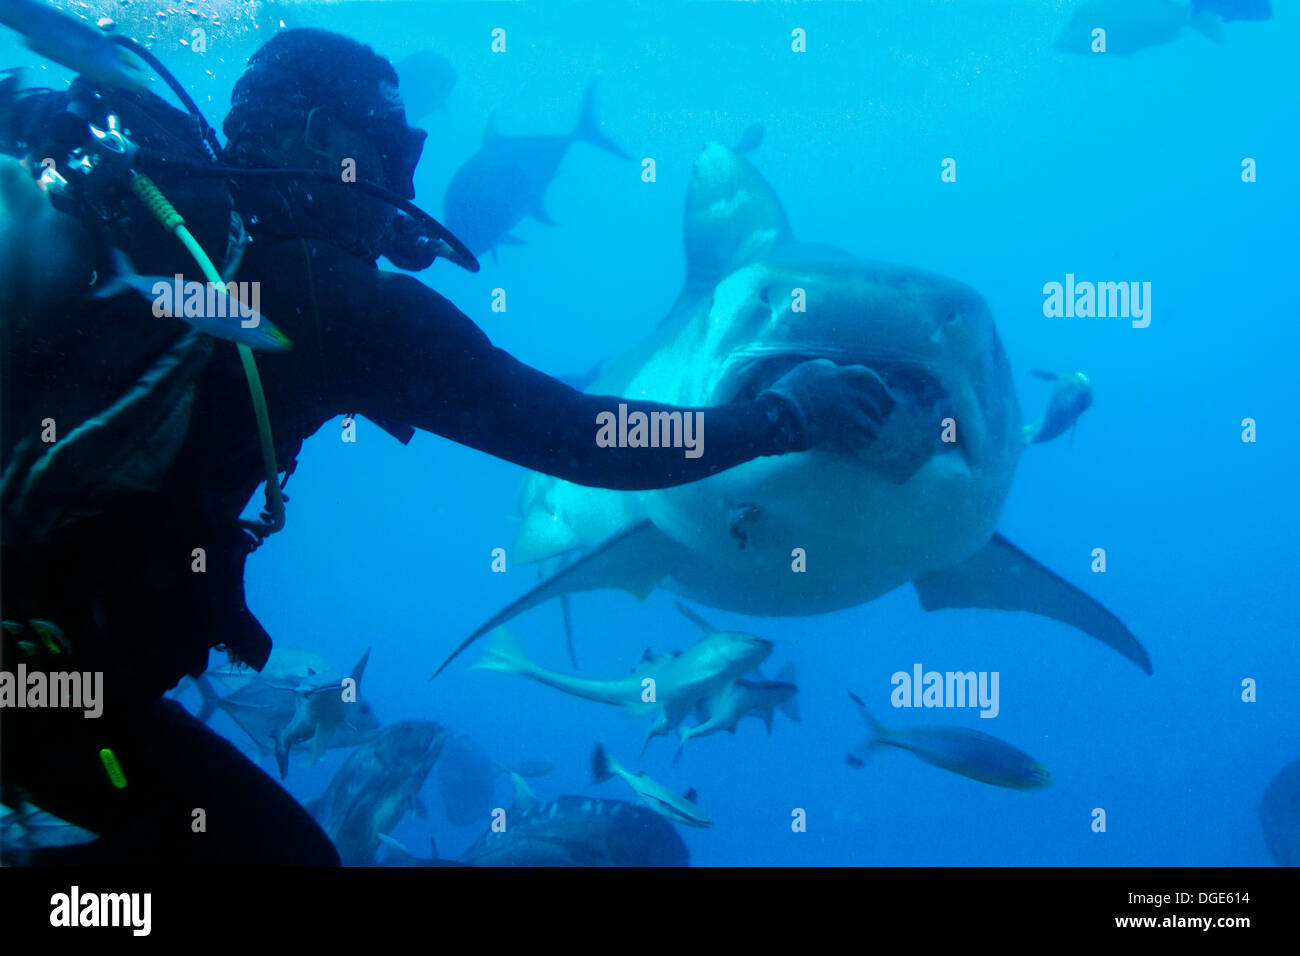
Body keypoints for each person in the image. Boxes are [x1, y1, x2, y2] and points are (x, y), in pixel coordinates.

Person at [0, 29, 895, 865]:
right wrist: (786, 418)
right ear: (322, 140)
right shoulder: (338, 303)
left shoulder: (171, 239)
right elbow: (596, 439)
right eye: (397, 154)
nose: (405, 185)